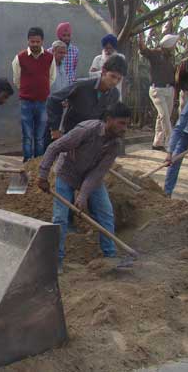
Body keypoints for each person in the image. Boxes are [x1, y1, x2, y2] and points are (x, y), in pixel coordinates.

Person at [37, 103, 132, 272]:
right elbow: (54, 147)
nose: (125, 128)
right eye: (121, 123)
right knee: (60, 217)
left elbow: (98, 173)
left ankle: (110, 256)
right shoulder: (87, 130)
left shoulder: (115, 144)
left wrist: (83, 195)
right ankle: (55, 262)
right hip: (67, 172)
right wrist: (43, 175)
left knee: (105, 212)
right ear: (109, 120)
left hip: (89, 176)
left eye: (127, 124)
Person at [47, 54, 126, 139]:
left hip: (92, 138)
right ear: (103, 71)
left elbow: (107, 118)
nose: (115, 82)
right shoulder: (82, 86)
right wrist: (55, 128)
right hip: (71, 135)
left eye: (119, 79)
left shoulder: (114, 94)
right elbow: (53, 99)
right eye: (112, 76)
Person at [12, 27, 57, 162]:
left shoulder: (50, 58)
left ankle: (38, 162)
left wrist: (42, 89)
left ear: (42, 41)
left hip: (43, 102)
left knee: (40, 135)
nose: (35, 44)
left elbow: (52, 77)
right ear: (28, 42)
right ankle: (27, 161)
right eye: (32, 42)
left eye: (38, 42)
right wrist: (27, 90)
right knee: (27, 135)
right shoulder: (20, 57)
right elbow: (16, 79)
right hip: (26, 102)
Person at [141, 33, 179, 151]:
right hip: (157, 89)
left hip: (169, 89)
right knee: (165, 116)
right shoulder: (155, 54)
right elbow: (143, 49)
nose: (175, 47)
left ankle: (157, 143)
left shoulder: (170, 57)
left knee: (162, 116)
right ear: (169, 46)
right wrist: (141, 35)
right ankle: (171, 142)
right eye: (173, 45)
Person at [89, 34, 125, 99]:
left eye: (110, 48)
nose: (108, 51)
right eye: (106, 48)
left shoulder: (121, 58)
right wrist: (104, 73)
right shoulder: (98, 59)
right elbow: (91, 75)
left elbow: (120, 74)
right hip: (100, 93)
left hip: (115, 92)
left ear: (114, 48)